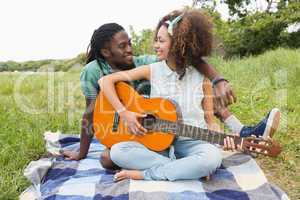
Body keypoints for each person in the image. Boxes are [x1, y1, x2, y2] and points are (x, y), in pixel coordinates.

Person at [98, 9, 280, 181]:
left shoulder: (202, 78)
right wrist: (124, 113)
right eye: (156, 40)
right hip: (157, 147)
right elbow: (105, 82)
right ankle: (183, 169)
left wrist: (219, 136)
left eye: (161, 41)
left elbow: (210, 121)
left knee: (211, 158)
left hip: (193, 142)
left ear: (177, 43)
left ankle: (149, 174)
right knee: (118, 151)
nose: (155, 45)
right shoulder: (151, 70)